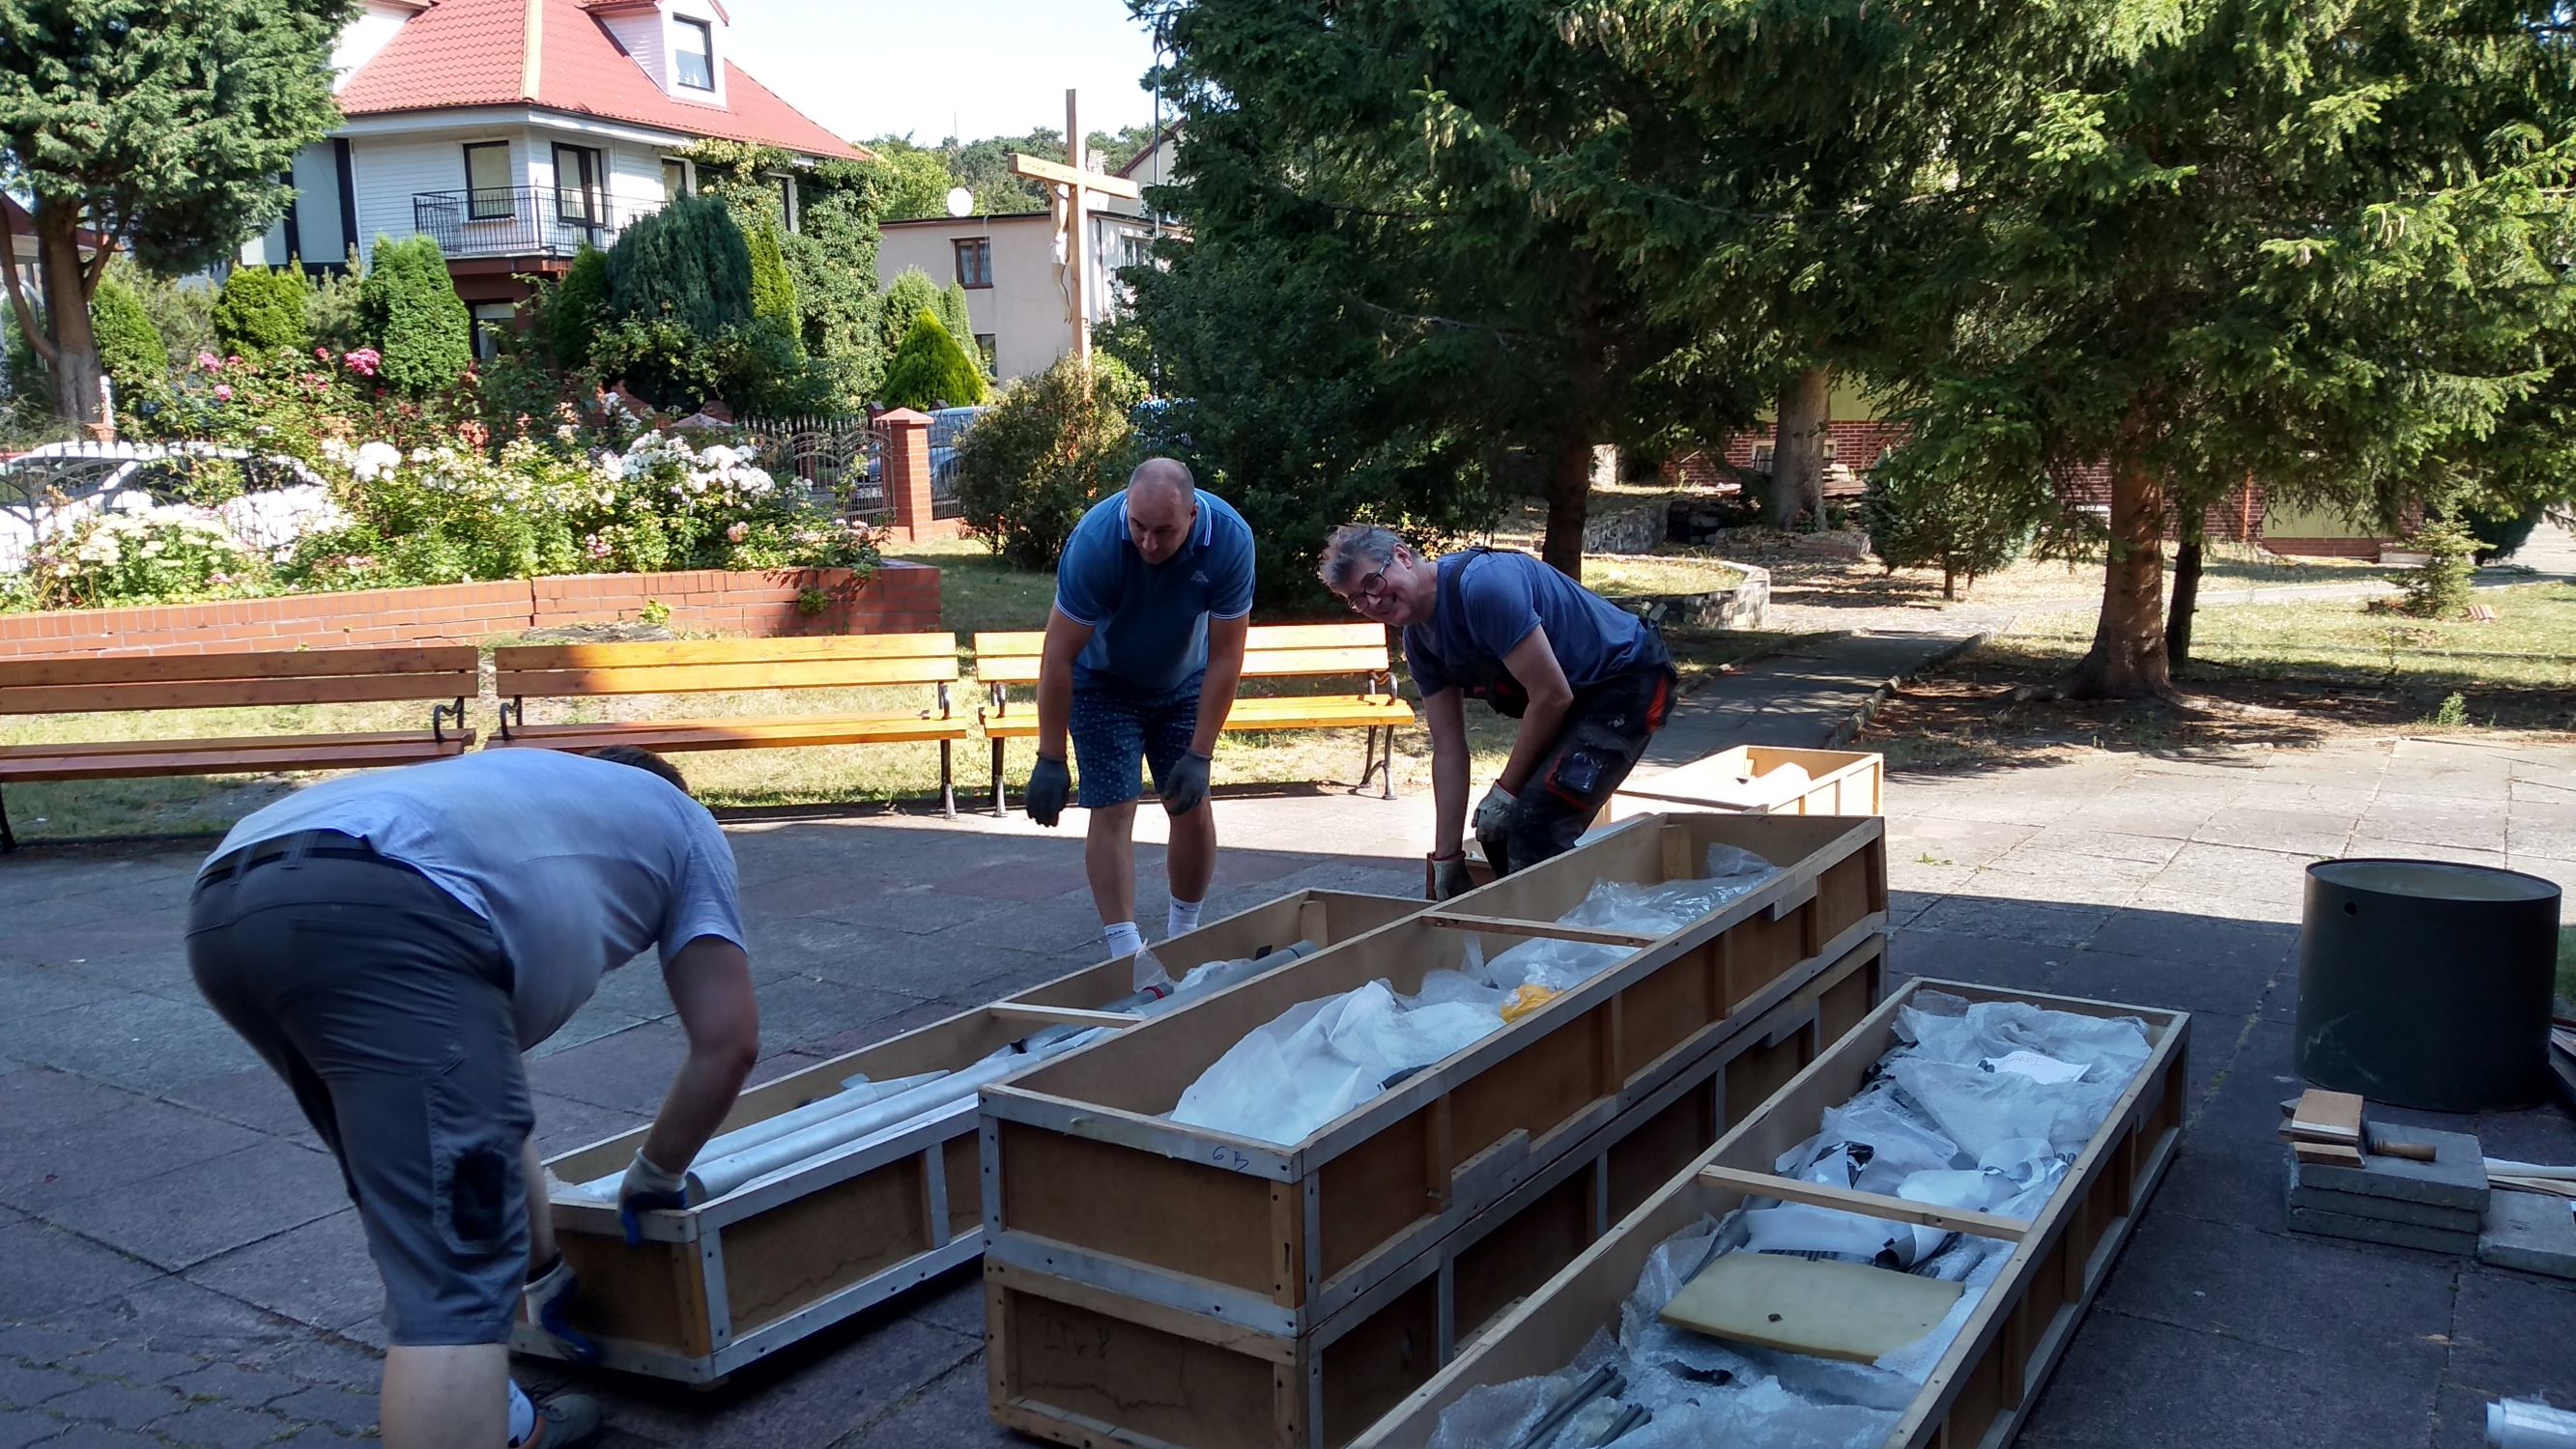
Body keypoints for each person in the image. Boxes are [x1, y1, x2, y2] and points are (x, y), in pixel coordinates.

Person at [184, 747, 761, 1449]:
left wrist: (543, 1271)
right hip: (387, 903)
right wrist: (656, 1175)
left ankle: (505, 1421)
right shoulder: (685, 820)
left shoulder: (518, 798)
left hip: (230, 897)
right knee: (455, 1274)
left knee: (423, 1198)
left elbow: (489, 1122)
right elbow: (728, 1044)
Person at [1318, 526, 1677, 898]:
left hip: (1626, 683)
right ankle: (1535, 925)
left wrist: (1506, 791)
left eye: (1372, 583)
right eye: (1357, 599)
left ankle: (1576, 932)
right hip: (1571, 699)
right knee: (1499, 833)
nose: (1372, 602)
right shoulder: (1421, 642)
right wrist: (1446, 858)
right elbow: (1448, 749)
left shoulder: (1482, 587)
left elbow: (1551, 696)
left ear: (1403, 556)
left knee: (1535, 827)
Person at [1021, 457, 1256, 959]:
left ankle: (1184, 933)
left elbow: (1226, 655)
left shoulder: (1229, 539)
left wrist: (1201, 753)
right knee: (1113, 807)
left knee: (1188, 803)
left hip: (1184, 682)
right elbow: (1058, 654)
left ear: (1192, 515)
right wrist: (1050, 756)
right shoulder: (1095, 543)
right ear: (1127, 508)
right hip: (1102, 683)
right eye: (1139, 527)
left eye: (1164, 531)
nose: (1148, 543)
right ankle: (1125, 953)